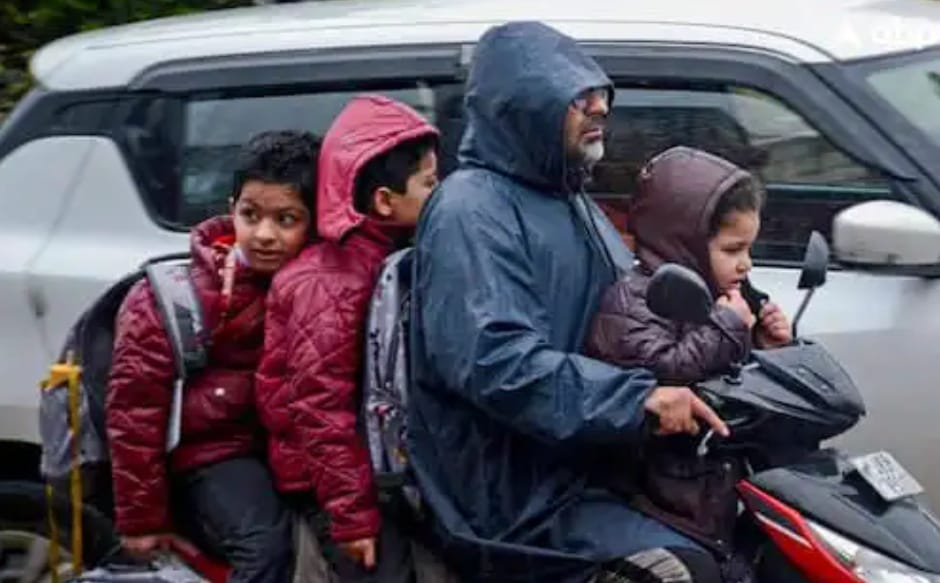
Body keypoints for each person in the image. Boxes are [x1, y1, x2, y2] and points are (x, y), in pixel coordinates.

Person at [407, 20, 730, 583]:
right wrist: (638, 401)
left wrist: (729, 333)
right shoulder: (473, 210)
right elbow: (496, 362)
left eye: (600, 93)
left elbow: (628, 307)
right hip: (519, 497)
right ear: (521, 106)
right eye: (576, 96)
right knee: (685, 571)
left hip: (589, 462)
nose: (599, 107)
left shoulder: (567, 197)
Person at [106, 130, 320, 582]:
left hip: (278, 451)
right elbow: (135, 412)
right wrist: (143, 520)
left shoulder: (319, 288)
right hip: (211, 453)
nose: (264, 234)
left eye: (286, 219)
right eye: (250, 215)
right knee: (264, 549)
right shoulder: (176, 297)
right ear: (231, 207)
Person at [255, 94, 439, 581]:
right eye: (429, 183)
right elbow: (318, 405)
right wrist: (352, 516)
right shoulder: (331, 280)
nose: (439, 195)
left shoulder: (381, 258)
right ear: (383, 201)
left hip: (366, 471)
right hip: (328, 485)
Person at [586, 145, 792, 386]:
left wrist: (761, 344)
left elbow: (725, 376)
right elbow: (666, 371)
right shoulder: (633, 305)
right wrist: (728, 327)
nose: (746, 264)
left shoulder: (718, 295)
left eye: (749, 249)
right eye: (732, 250)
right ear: (685, 245)